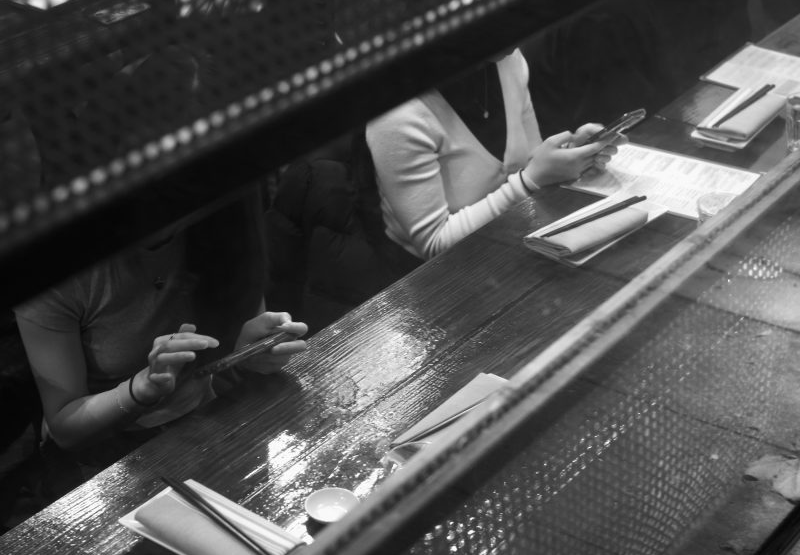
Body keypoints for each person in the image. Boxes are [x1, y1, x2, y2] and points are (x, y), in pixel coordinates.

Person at [12, 45, 309, 479]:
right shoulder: (59, 263)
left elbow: (238, 331)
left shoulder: (224, 214)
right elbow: (65, 427)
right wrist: (142, 389)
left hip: (211, 427)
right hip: (106, 466)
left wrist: (254, 348)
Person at [365, 46, 626, 262]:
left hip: (512, 233)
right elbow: (434, 244)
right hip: (430, 275)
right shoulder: (397, 114)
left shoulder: (507, 60)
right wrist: (530, 180)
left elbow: (530, 164)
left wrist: (572, 153)